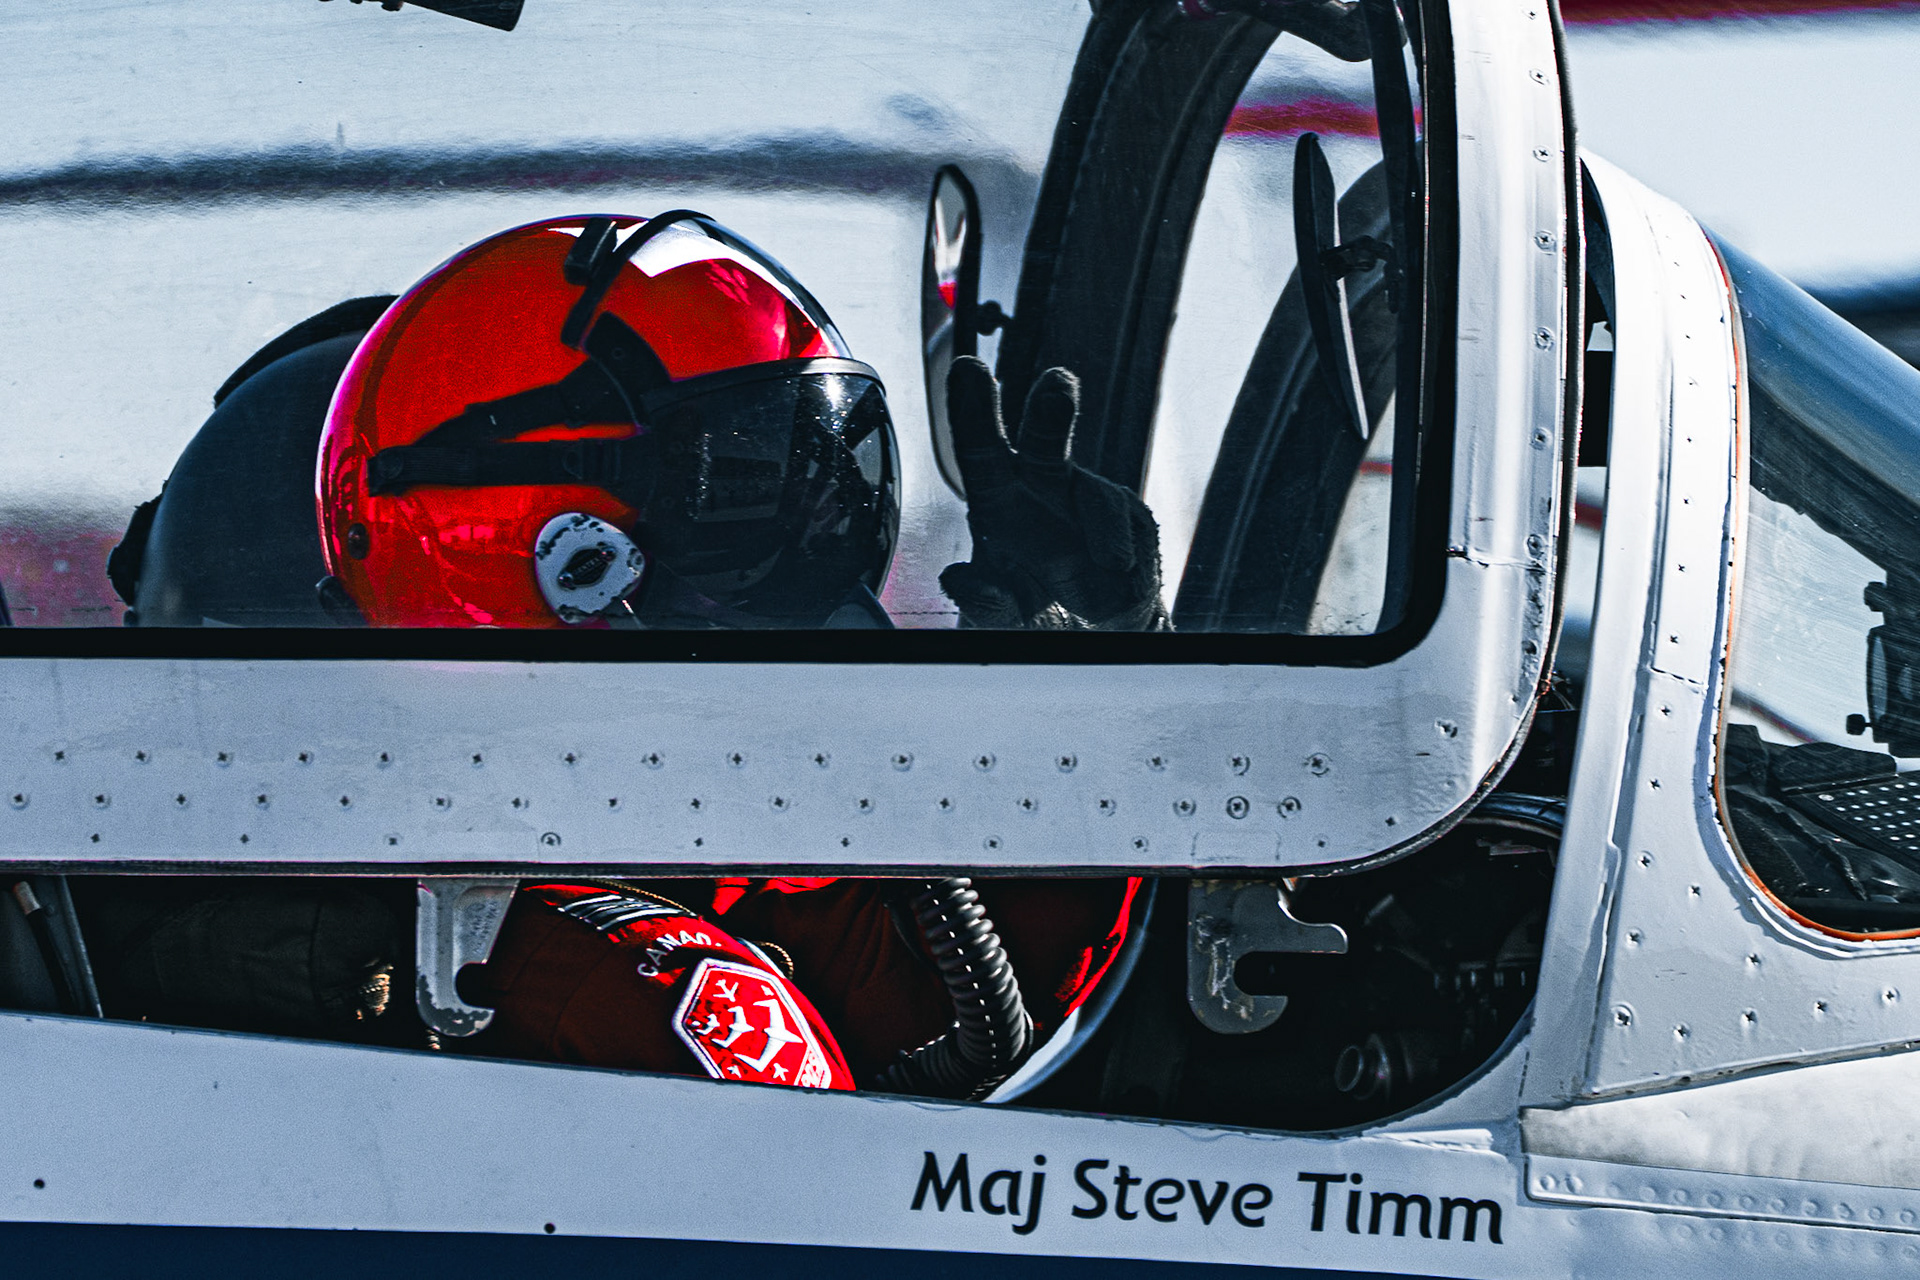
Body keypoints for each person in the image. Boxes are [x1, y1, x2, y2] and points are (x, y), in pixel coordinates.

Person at [94, 211, 1153, 1096]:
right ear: (572, 567)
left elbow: (941, 994)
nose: (817, 559)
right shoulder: (598, 977)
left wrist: (1077, 699)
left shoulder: (661, 836)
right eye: (739, 507)